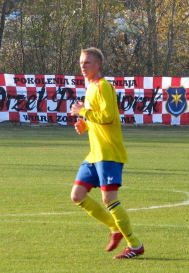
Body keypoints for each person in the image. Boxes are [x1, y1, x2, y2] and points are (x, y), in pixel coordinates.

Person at [69, 47, 144, 259]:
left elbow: (109, 116)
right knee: (77, 195)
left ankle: (135, 245)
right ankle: (114, 227)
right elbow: (98, 119)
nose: (83, 66)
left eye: (87, 63)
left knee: (109, 199)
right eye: (81, 62)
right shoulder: (90, 87)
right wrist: (86, 125)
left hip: (109, 152)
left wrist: (82, 111)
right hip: (95, 154)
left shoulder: (103, 86)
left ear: (98, 65)